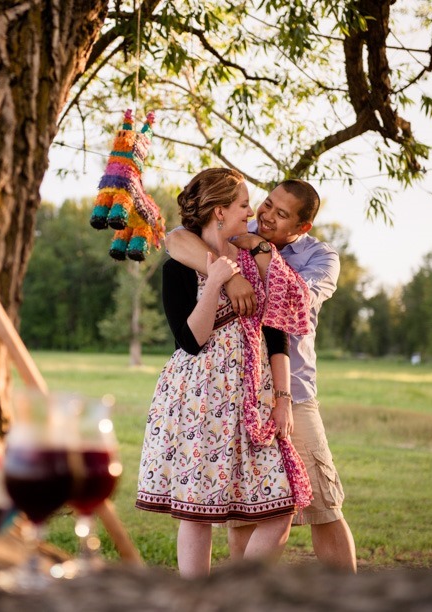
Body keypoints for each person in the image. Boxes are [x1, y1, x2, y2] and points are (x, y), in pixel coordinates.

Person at [166, 178, 358, 573]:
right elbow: (176, 239)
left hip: (293, 390)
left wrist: (262, 253)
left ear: (301, 227)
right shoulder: (241, 235)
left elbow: (293, 302)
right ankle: (244, 597)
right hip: (237, 395)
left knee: (322, 504)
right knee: (245, 513)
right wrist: (231, 274)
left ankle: (349, 595)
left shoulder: (320, 257)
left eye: (280, 214)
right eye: (267, 203)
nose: (265, 215)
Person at [135, 168, 312, 578]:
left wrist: (282, 400)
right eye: (244, 205)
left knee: (280, 508)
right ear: (220, 211)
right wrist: (215, 282)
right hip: (197, 399)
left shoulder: (255, 256)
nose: (252, 212)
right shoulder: (178, 267)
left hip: (252, 395)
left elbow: (277, 333)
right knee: (197, 513)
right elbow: (189, 341)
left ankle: (236, 595)